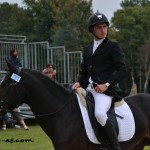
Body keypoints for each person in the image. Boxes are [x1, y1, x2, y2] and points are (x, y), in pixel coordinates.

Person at [72, 12, 127, 150]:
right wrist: (78, 82)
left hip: (104, 91)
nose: (103, 30)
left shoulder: (113, 47)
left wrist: (106, 84)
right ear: (92, 30)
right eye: (99, 28)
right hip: (87, 88)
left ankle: (115, 146)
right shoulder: (87, 49)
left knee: (100, 114)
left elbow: (123, 70)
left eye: (104, 27)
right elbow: (84, 71)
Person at [7, 48, 29, 130]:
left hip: (18, 73)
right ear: (12, 52)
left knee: (22, 79)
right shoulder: (10, 59)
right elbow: (12, 68)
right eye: (15, 51)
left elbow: (19, 66)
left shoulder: (17, 58)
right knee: (19, 80)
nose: (17, 52)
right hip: (13, 74)